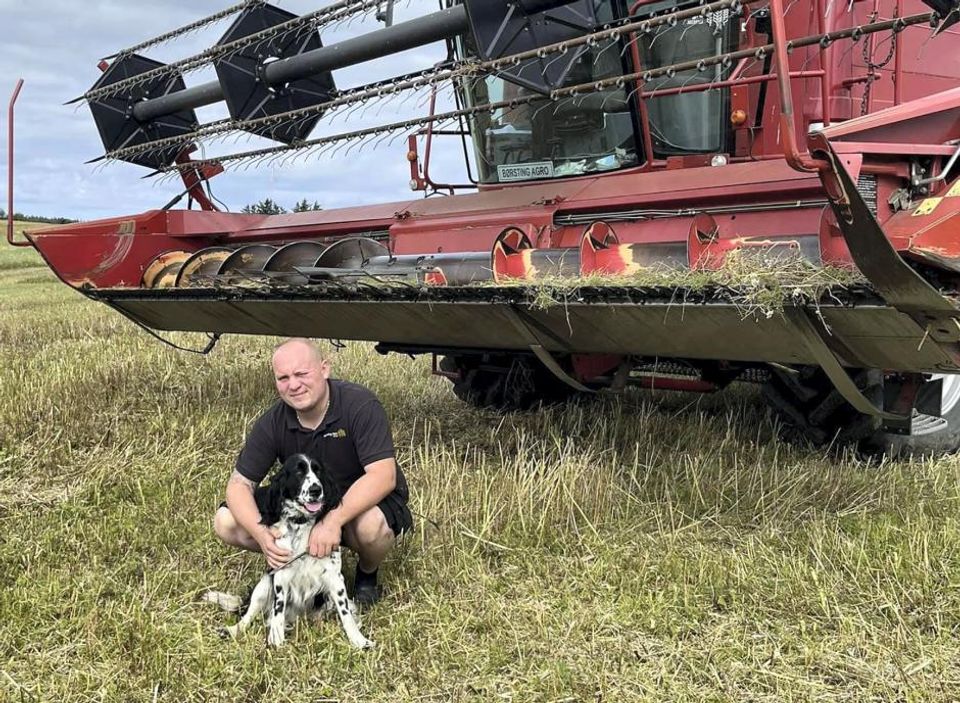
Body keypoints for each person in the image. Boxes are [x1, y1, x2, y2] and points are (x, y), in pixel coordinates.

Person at [213, 338, 412, 606]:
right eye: (283, 378)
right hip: (305, 505)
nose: (293, 385)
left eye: (301, 374)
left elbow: (382, 475)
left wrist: (332, 521)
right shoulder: (273, 421)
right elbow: (239, 485)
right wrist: (262, 534)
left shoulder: (360, 404)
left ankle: (366, 575)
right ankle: (300, 567)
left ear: (324, 369)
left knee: (371, 528)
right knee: (226, 521)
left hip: (357, 501)